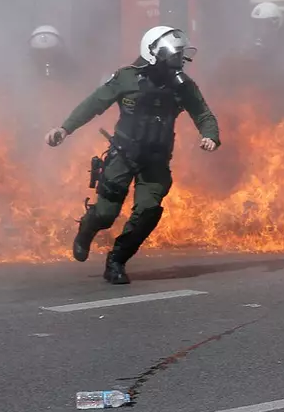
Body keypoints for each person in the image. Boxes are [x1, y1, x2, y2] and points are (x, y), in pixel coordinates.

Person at [45, 25, 220, 285]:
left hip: (156, 160)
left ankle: (116, 260)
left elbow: (203, 114)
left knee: (148, 212)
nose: (178, 60)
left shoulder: (183, 86)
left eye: (179, 54)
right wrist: (64, 128)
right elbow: (94, 103)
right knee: (106, 214)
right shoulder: (126, 78)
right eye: (172, 54)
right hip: (123, 155)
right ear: (152, 53)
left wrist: (210, 136)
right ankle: (87, 228)